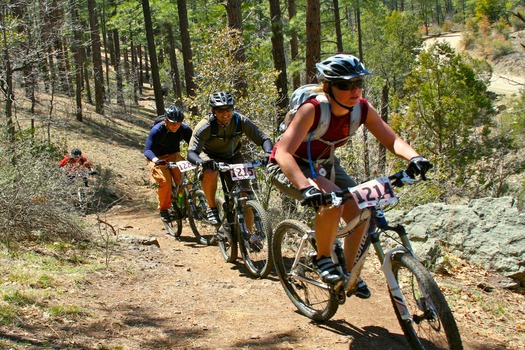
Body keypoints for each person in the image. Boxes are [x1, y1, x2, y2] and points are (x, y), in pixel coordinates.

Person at [268, 54, 432, 298]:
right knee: (332, 200)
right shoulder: (312, 109)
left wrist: (414, 158)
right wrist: (306, 188)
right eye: (345, 85)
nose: (354, 90)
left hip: (324, 164)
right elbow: (283, 152)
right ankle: (322, 259)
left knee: (363, 214)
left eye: (358, 83)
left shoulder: (361, 108)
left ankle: (347, 270)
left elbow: (392, 139)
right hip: (288, 165)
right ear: (328, 87)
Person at [187, 92, 273, 225]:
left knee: (244, 194)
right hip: (209, 156)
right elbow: (191, 153)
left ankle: (248, 236)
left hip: (233, 156)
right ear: (213, 111)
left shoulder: (241, 121)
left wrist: (268, 152)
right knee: (209, 172)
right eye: (220, 110)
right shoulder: (205, 126)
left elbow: (263, 139)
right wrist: (202, 162)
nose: (225, 113)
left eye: (228, 109)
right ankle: (211, 208)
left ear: (233, 108)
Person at [144, 105, 192, 222]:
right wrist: (155, 160)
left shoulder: (184, 129)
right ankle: (164, 209)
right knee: (165, 182)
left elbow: (194, 144)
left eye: (178, 123)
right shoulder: (156, 130)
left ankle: (189, 206)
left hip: (174, 155)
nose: (175, 125)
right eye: (172, 123)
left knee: (184, 180)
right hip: (157, 157)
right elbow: (147, 150)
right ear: (165, 121)